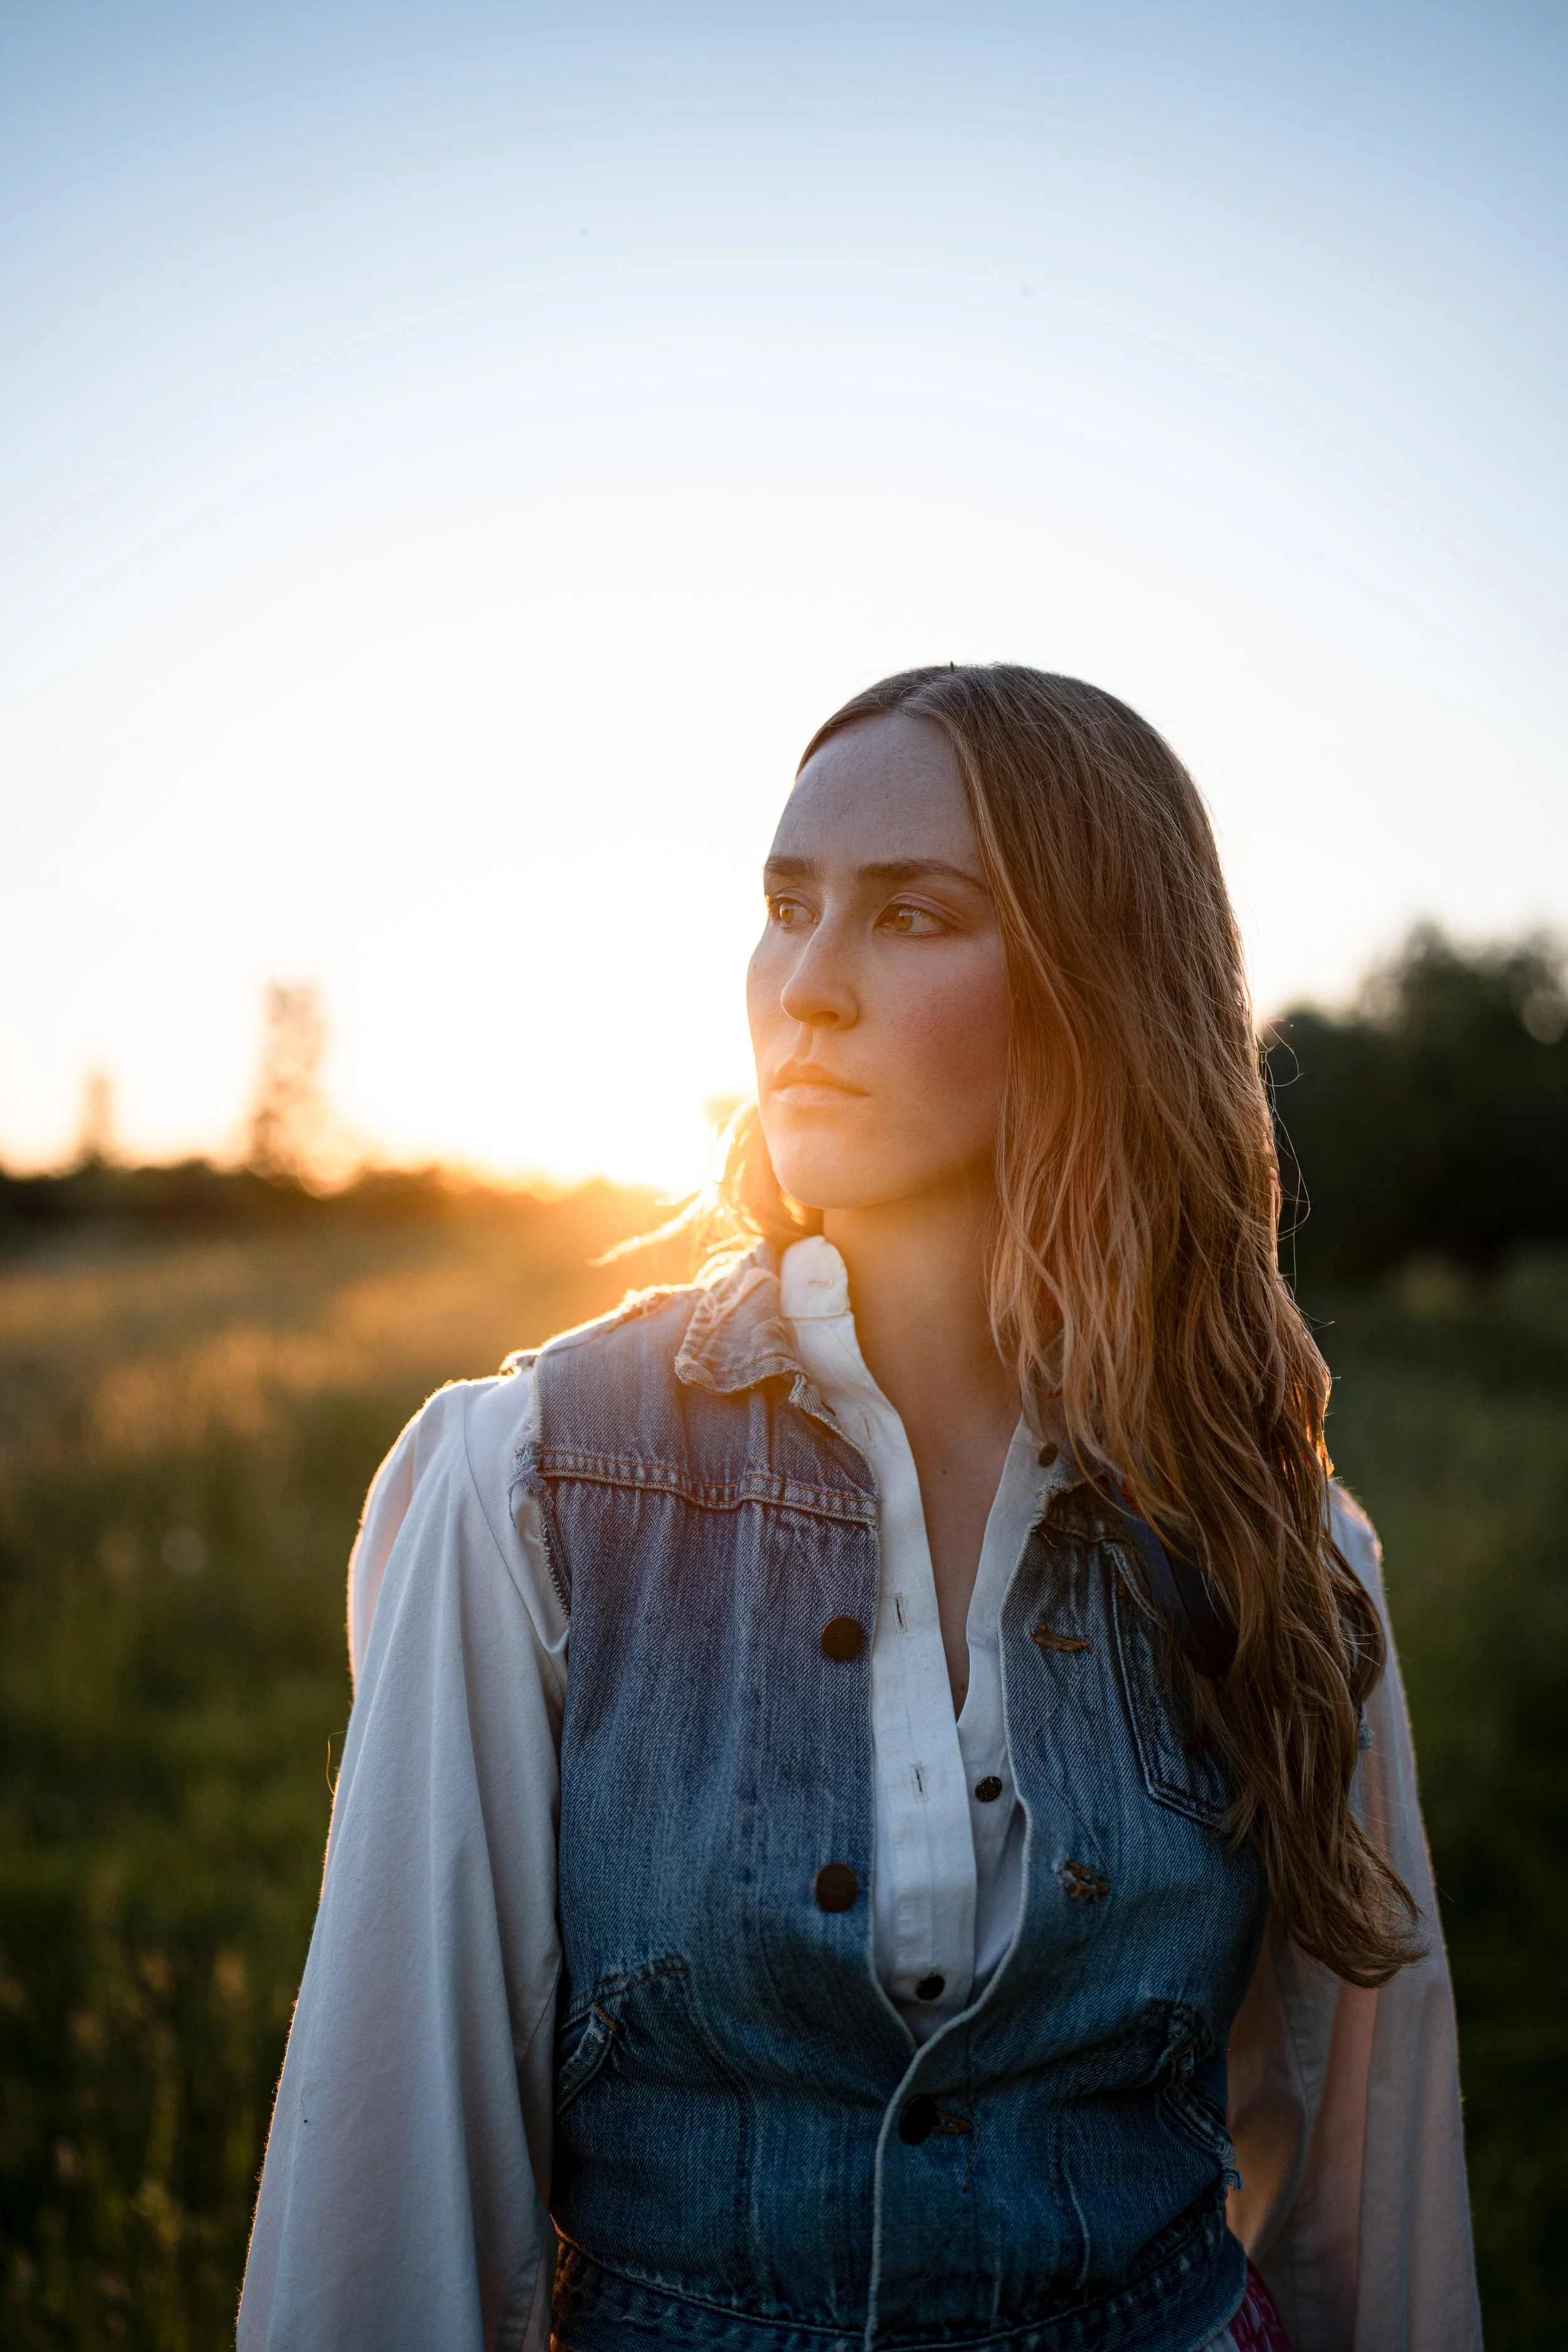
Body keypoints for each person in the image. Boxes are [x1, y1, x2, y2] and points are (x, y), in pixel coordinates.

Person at [239, 665, 1481, 2351]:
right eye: (782, 907)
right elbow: (384, 2205)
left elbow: (1365, 2196)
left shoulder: (1281, 1548)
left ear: (1094, 985)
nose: (805, 987)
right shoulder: (529, 1485)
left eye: (911, 915)